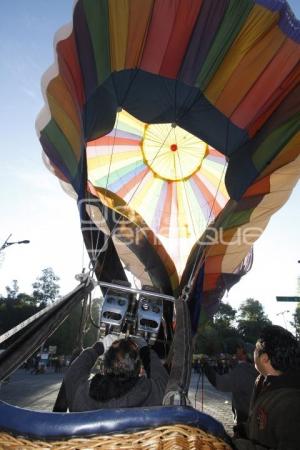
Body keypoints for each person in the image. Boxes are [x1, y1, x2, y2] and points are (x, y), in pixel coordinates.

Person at [234, 325, 300, 450]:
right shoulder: (263, 381)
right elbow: (263, 421)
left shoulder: (292, 403)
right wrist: (245, 429)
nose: (252, 353)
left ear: (265, 358)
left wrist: (240, 446)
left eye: (255, 349)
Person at [63, 334, 168, 412]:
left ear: (104, 369)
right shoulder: (154, 394)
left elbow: (73, 374)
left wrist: (99, 347)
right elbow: (161, 376)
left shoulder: (81, 396)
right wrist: (145, 349)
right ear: (140, 370)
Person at [203, 343, 257, 437]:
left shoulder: (242, 370)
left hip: (244, 415)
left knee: (242, 441)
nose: (236, 351)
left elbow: (221, 383)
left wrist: (206, 367)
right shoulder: (252, 368)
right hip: (254, 413)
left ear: (244, 354)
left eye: (239, 349)